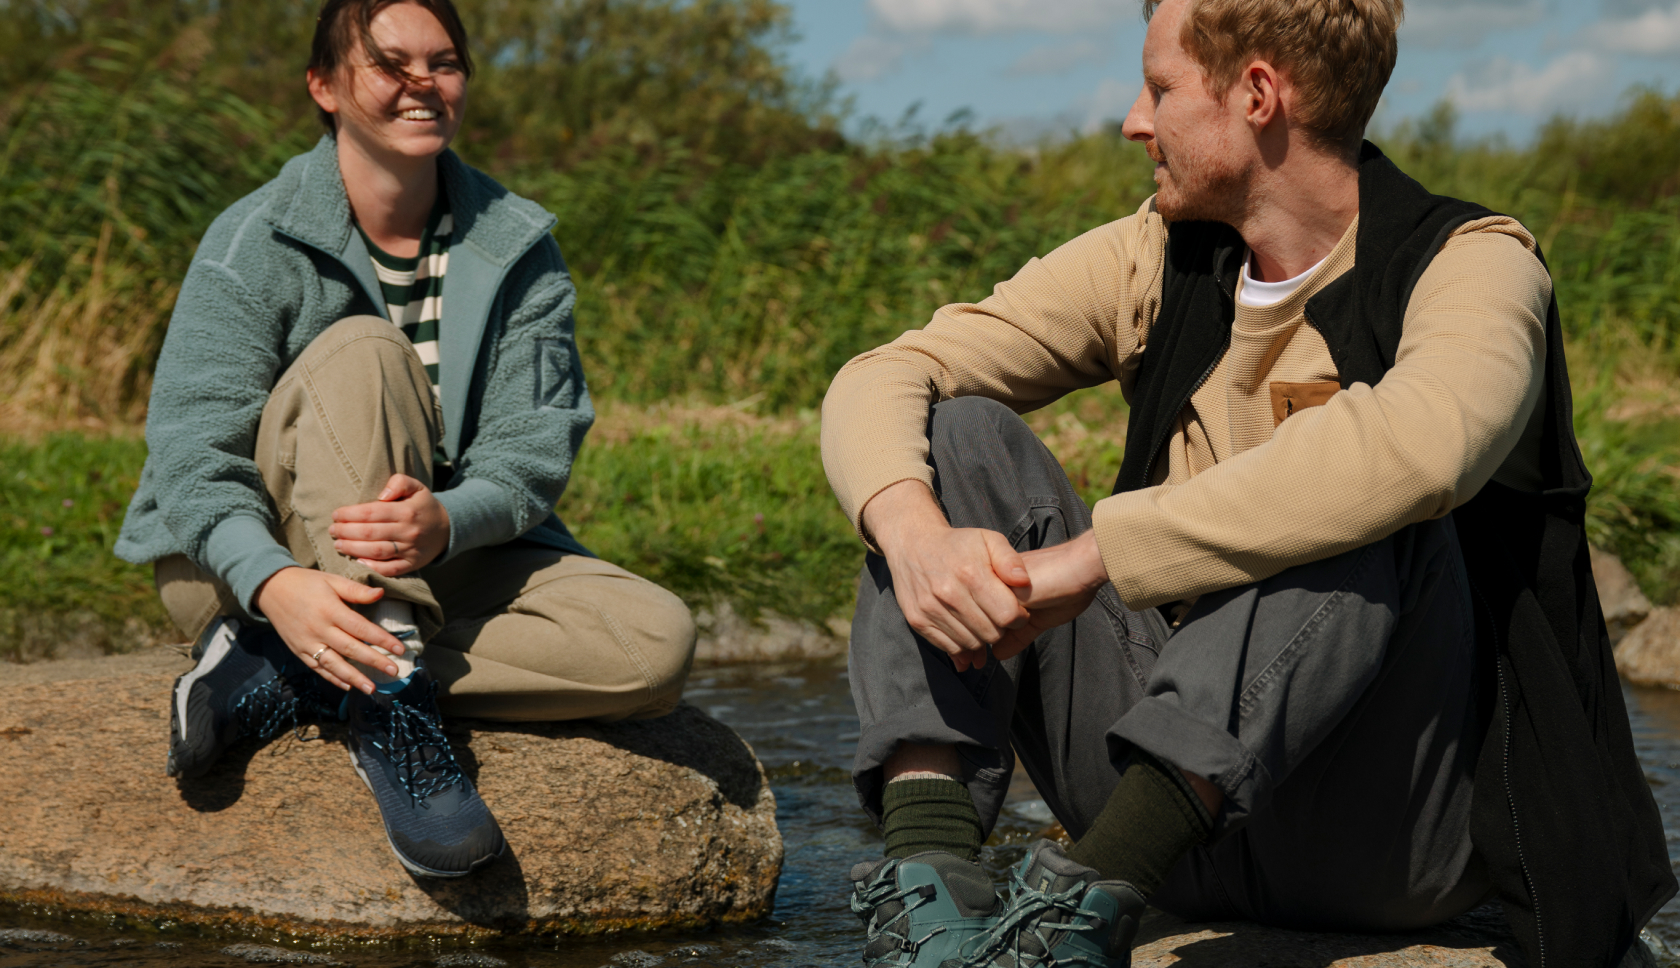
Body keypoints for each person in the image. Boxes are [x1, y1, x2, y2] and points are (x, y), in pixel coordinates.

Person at [821, 0, 1673, 965]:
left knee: (1356, 488)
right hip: (1168, 822)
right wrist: (912, 532)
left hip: (1389, 838)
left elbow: (1425, 449)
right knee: (956, 437)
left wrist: (1095, 559)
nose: (1133, 121)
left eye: (1160, 88)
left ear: (1259, 94)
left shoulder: (1473, 263)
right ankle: (932, 902)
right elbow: (886, 374)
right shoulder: (1157, 252)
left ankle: (1076, 916)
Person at [115, 0, 696, 879]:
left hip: (429, 551)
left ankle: (291, 674)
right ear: (326, 86)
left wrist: (451, 520)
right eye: (390, 64)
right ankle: (388, 708)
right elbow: (193, 455)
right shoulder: (252, 238)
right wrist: (271, 583)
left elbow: (531, 450)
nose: (423, 84)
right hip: (248, 564)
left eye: (445, 62)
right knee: (362, 347)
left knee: (653, 644)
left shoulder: (518, 246)